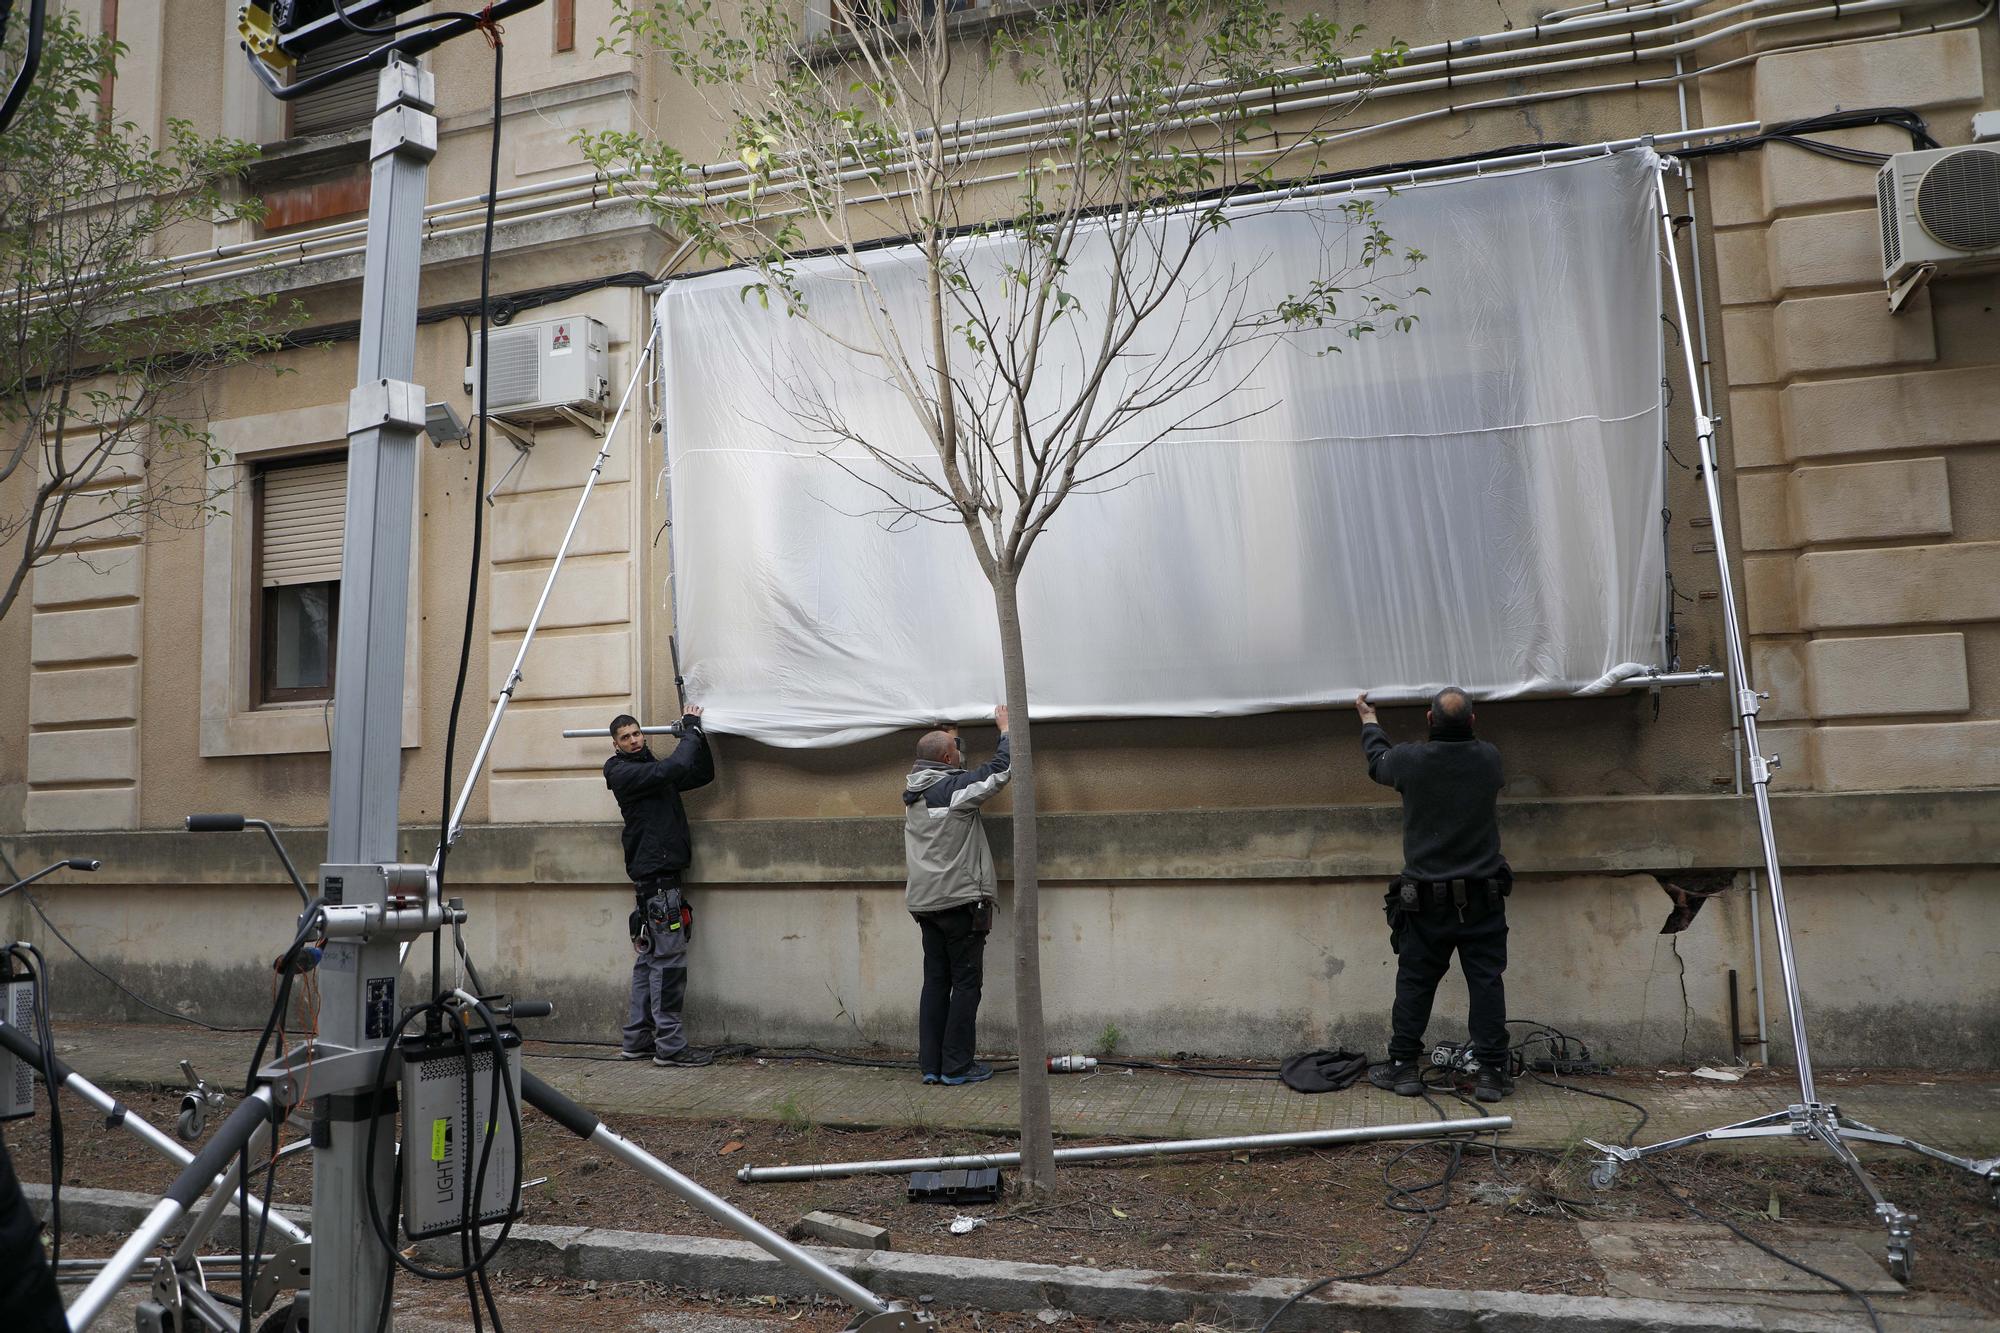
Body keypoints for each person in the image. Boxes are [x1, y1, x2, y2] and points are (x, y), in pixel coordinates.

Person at [1355, 687, 1514, 1103]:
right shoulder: (1489, 758)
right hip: (1482, 901)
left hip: (1425, 904)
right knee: (1486, 984)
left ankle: (1404, 1069)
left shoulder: (1410, 761)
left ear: (1429, 720)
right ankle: (1492, 1075)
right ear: (1473, 722)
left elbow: (1378, 763)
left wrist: (1369, 720)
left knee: (1415, 984)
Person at [903, 706, 1011, 1086]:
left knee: (936, 982)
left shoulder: (916, 791)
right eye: (955, 748)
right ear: (949, 758)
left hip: (926, 905)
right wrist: (1006, 730)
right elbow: (998, 772)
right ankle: (958, 1065)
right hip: (959, 903)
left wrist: (949, 737)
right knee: (966, 984)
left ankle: (932, 1066)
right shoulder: (952, 792)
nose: (960, 753)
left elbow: (945, 759)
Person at [605, 708, 716, 1067]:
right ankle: (670, 1046)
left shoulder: (652, 771)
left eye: (637, 733)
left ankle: (636, 1040)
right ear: (616, 744)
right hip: (656, 881)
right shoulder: (623, 772)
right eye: (626, 737)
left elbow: (699, 772)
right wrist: (689, 732)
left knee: (650, 960)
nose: (634, 739)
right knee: (668, 962)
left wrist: (698, 737)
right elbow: (671, 768)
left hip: (660, 880)